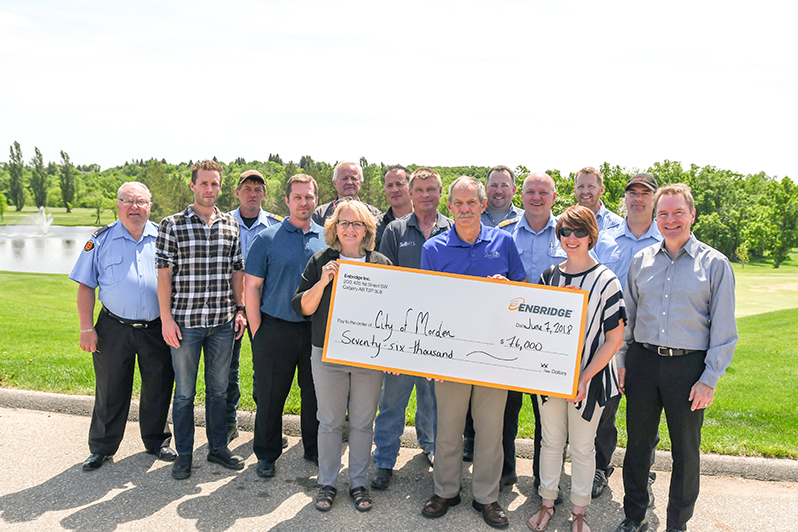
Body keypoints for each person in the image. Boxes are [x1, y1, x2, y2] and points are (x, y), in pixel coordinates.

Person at [615, 184, 737, 532]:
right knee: (638, 445)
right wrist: (623, 363)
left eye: (677, 212)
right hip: (643, 362)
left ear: (692, 215)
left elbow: (724, 330)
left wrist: (709, 378)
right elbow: (630, 319)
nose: (670, 220)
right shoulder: (641, 261)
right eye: (663, 213)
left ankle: (677, 523)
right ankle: (633, 515)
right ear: (656, 217)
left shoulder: (715, 265)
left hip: (688, 368)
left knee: (686, 452)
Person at [419, 176, 526, 530]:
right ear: (450, 207)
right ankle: (445, 490)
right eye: (458, 204)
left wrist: (509, 289)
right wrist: (432, 357)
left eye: (471, 203)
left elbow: (524, 295)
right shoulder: (433, 249)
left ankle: (487, 497)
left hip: (494, 355)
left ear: (483, 205)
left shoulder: (504, 242)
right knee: (448, 428)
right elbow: (427, 305)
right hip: (451, 354)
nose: (465, 210)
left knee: (490, 430)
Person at [528, 205, 625, 532]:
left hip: (591, 380)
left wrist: (585, 377)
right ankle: (547, 502)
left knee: (583, 447)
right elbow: (535, 327)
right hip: (551, 376)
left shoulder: (606, 280)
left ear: (591, 235)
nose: (572, 238)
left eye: (579, 231)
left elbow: (614, 339)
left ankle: (579, 512)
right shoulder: (549, 276)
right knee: (551, 441)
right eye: (565, 231)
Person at [292, 200, 392, 513]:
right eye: (344, 223)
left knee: (363, 422)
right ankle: (327, 482)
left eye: (357, 223)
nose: (350, 229)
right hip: (328, 353)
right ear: (334, 228)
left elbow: (393, 313)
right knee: (330, 421)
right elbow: (303, 307)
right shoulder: (321, 260)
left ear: (367, 229)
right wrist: (323, 281)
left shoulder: (381, 263)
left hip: (367, 357)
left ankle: (359, 482)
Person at [70, 181, 176, 471]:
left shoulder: (165, 237)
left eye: (141, 201)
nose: (134, 207)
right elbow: (85, 286)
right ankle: (102, 448)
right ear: (117, 205)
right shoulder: (100, 240)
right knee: (110, 389)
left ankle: (157, 441)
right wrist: (85, 327)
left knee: (158, 386)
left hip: (156, 327)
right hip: (113, 327)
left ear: (150, 206)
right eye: (127, 201)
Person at [156, 159, 247, 480]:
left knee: (219, 391)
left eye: (215, 184)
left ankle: (218, 447)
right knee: (184, 393)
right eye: (204, 183)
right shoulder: (172, 225)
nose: (210, 189)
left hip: (223, 322)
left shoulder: (230, 224)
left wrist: (241, 309)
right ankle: (184, 455)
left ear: (220, 187)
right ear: (193, 185)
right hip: (185, 323)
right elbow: (164, 276)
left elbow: (238, 270)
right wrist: (166, 319)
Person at [371, 167, 452, 490]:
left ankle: (430, 446)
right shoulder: (394, 230)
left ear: (440, 193)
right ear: (411, 193)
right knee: (392, 398)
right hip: (401, 331)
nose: (425, 195)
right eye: (419, 190)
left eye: (432, 190)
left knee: (432, 395)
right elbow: (386, 281)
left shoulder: (453, 229)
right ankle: (385, 459)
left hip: (441, 329)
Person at [245, 174, 326, 478]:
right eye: (297, 197)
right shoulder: (267, 238)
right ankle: (266, 454)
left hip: (315, 331)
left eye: (309, 196)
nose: (303, 202)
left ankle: (314, 448)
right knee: (270, 395)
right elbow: (252, 288)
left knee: (315, 394)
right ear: (287, 201)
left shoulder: (327, 238)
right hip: (274, 328)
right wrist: (257, 331)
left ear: (315, 200)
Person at [591, 172, 662, 499]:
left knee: (645, 418)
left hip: (649, 345)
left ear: (654, 199)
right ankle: (599, 468)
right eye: (632, 193)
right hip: (611, 343)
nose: (637, 198)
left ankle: (643, 472)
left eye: (644, 193)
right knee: (604, 412)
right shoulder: (605, 239)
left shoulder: (666, 238)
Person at [226, 169, 281, 443]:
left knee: (266, 370)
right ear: (237, 192)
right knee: (228, 369)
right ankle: (228, 423)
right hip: (229, 307)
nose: (252, 193)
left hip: (264, 306)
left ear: (264, 194)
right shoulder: (223, 223)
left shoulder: (275, 226)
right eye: (247, 188)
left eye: (258, 189)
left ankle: (266, 428)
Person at [312, 161, 381, 225]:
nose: (349, 182)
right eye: (344, 178)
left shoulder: (374, 214)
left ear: (360, 183)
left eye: (354, 178)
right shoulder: (320, 214)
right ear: (335, 183)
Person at [375, 164, 413, 249]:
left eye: (399, 184)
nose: (394, 190)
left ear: (411, 188)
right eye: (389, 186)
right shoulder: (375, 227)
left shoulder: (425, 224)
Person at [574, 166, 623, 231]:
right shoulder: (561, 223)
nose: (585, 191)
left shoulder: (617, 225)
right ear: (575, 190)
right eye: (580, 187)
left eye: (591, 186)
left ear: (601, 190)